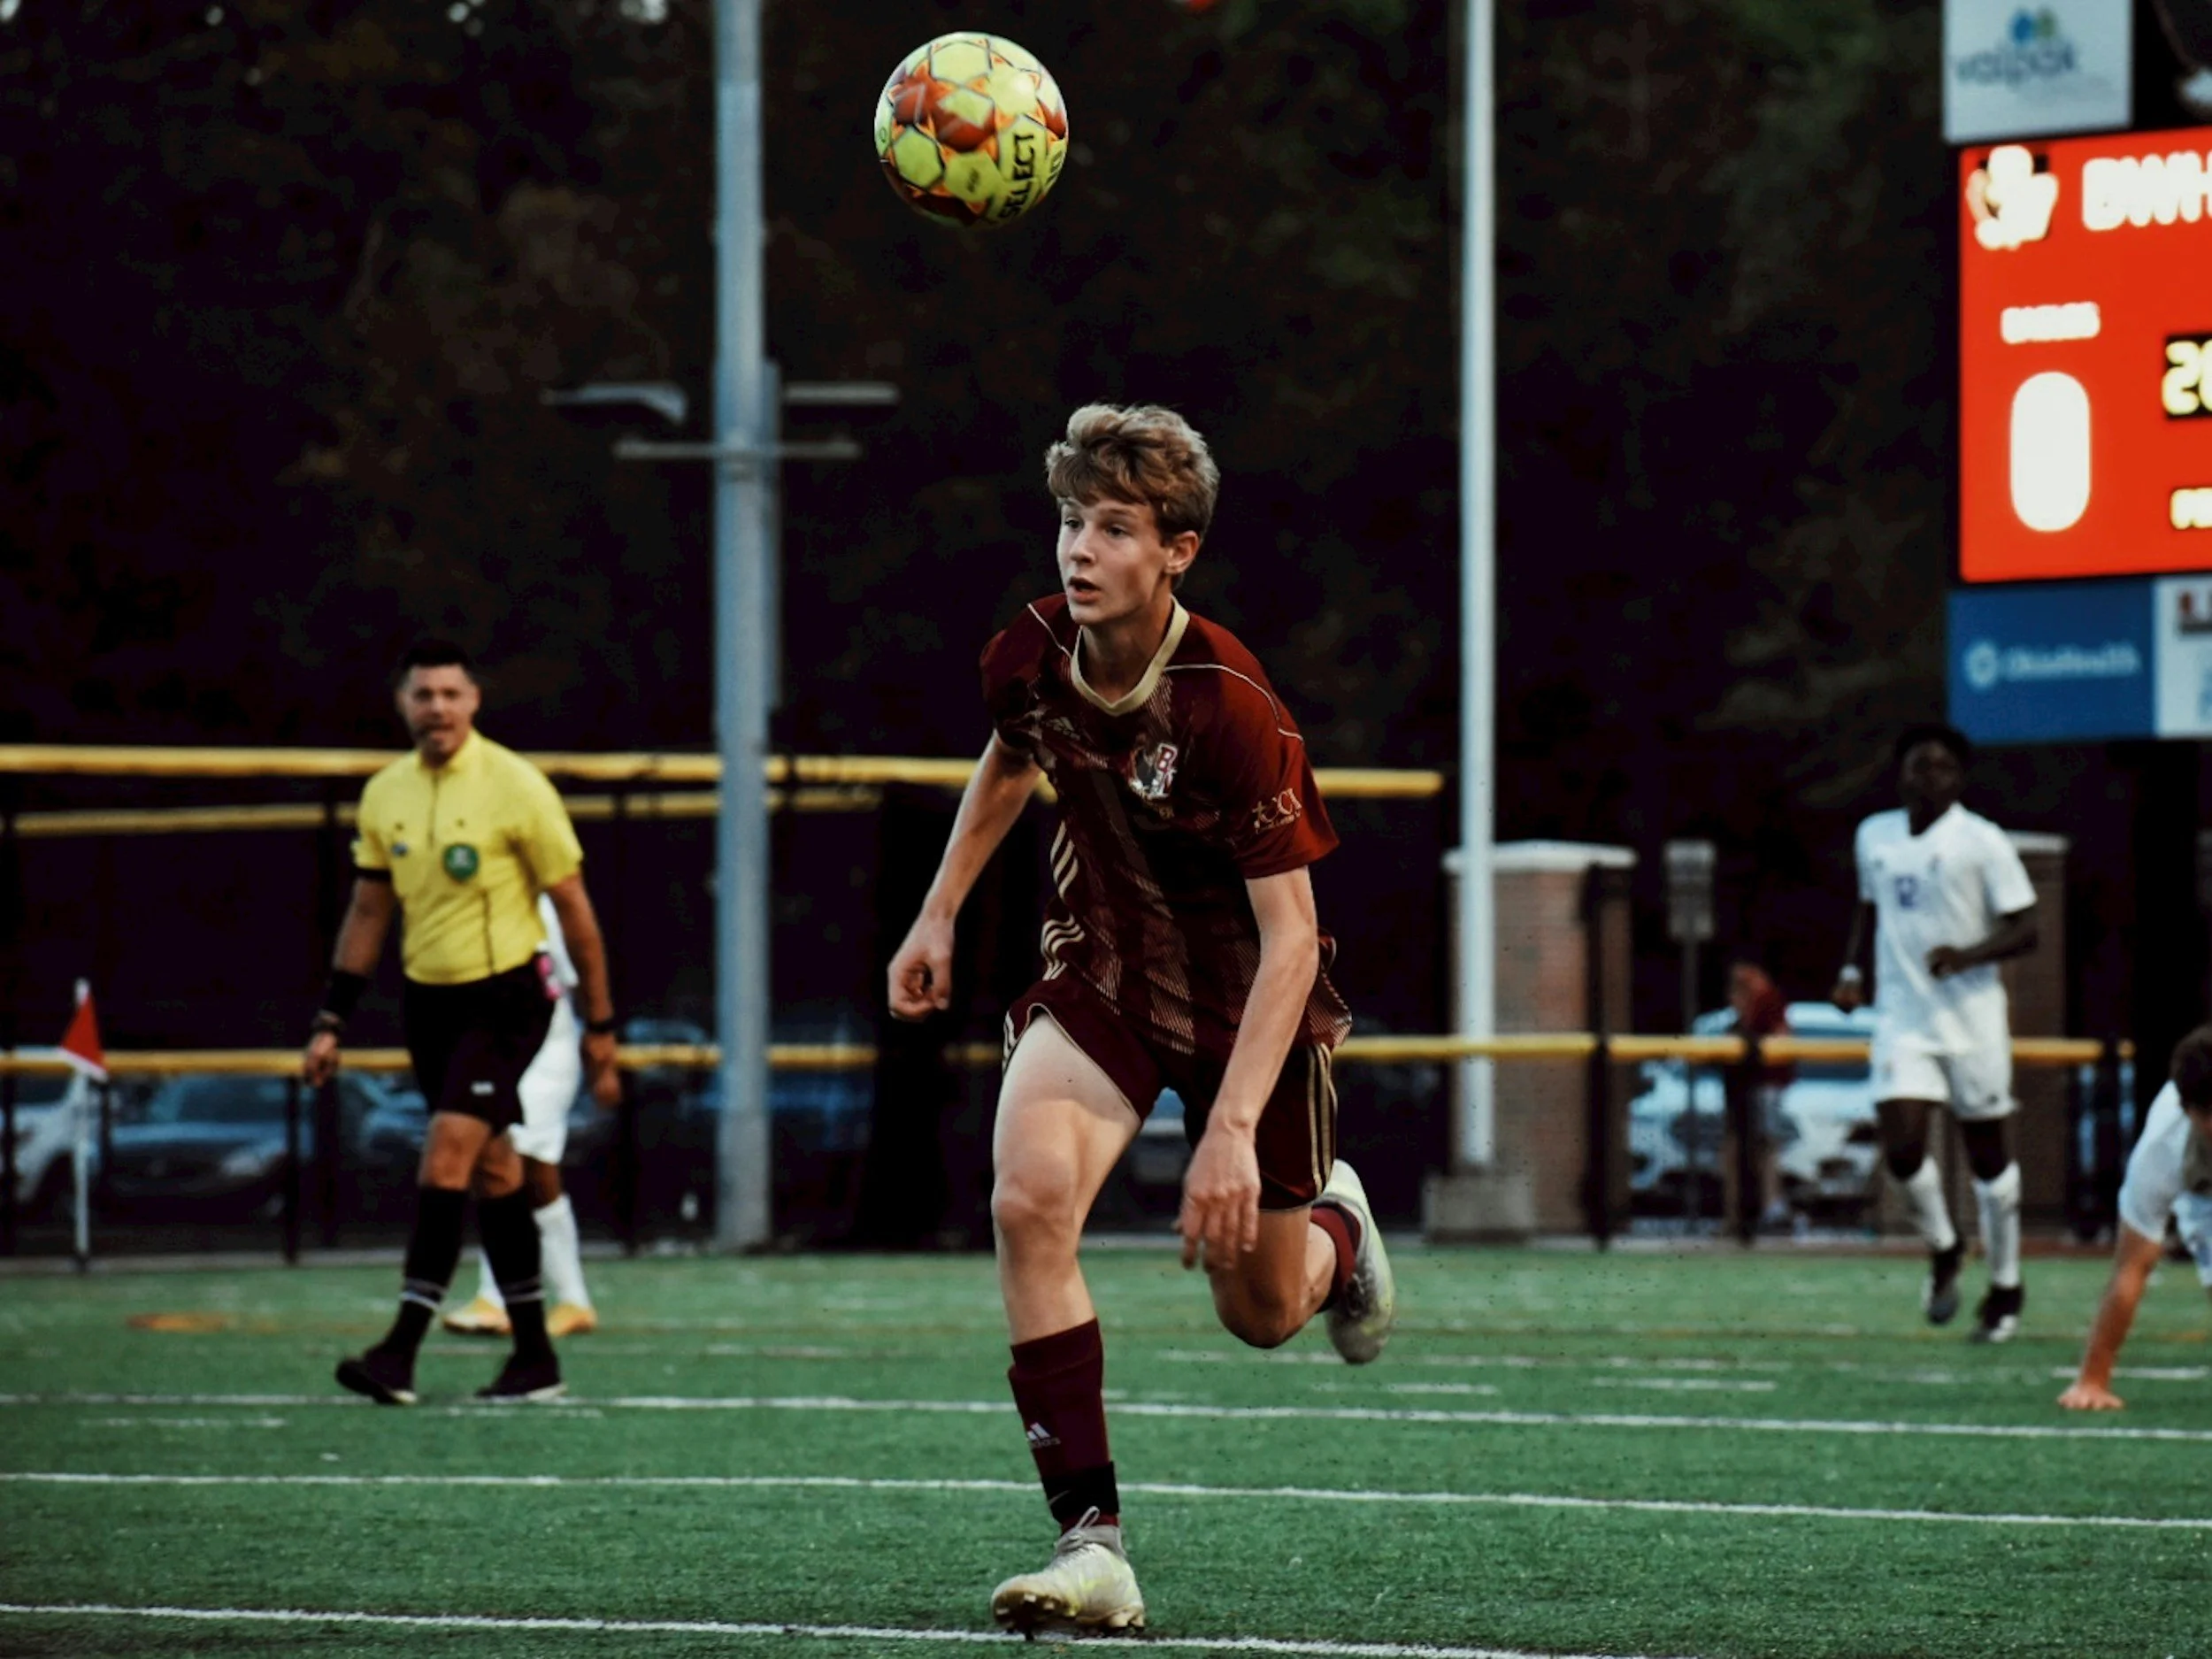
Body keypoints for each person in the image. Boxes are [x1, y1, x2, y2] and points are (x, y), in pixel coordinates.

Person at [887, 403, 1395, 1637]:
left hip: (1245, 1015)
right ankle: (1093, 1541)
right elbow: (1015, 753)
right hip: (1103, 972)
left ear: (1177, 551)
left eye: (1115, 527)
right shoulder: (1029, 651)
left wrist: (1225, 1131)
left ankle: (1340, 1219)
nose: (1080, 548)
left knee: (1262, 1313)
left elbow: (1292, 942)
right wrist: (939, 908)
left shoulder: (1230, 707)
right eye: (1071, 520)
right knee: (1024, 1199)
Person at [303, 639, 620, 1403]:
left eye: (451, 693)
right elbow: (370, 908)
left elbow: (575, 909)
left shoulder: (517, 786)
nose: (437, 708)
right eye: (423, 695)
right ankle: (535, 1358)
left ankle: (399, 1352)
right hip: (430, 1002)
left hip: (508, 997)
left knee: (446, 1155)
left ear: (474, 700)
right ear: (403, 704)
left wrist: (602, 1023)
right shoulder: (385, 793)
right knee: (494, 1168)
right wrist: (331, 1017)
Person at [1832, 722, 2039, 1341]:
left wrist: (1969, 954)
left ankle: (2006, 1285)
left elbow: (2028, 927)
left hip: (1972, 1019)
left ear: (1960, 776)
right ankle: (1945, 1246)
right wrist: (1849, 970)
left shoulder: (1982, 840)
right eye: (1920, 765)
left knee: (1988, 1159)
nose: (1931, 777)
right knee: (1900, 1145)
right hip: (1903, 1017)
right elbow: (1869, 907)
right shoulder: (1875, 834)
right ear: (1901, 772)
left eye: (1944, 767)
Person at [441, 892, 600, 1339]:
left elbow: (558, 982)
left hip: (544, 1050)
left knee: (505, 1162)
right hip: (510, 1051)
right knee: (536, 1173)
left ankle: (498, 1297)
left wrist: (601, 1046)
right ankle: (573, 1301)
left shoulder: (534, 905)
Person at [2058, 1025, 2212, 1410]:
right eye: (2208, 1113)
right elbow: (2132, 1266)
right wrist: (2092, 1381)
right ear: (2186, 1109)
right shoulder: (2164, 1148)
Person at [1726, 960, 1797, 1233]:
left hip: (1767, 1085)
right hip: (1747, 1087)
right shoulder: (1754, 1000)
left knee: (1767, 1144)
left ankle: (1772, 1206)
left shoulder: (1767, 998)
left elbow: (1781, 1039)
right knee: (1751, 1147)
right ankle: (1761, 1208)